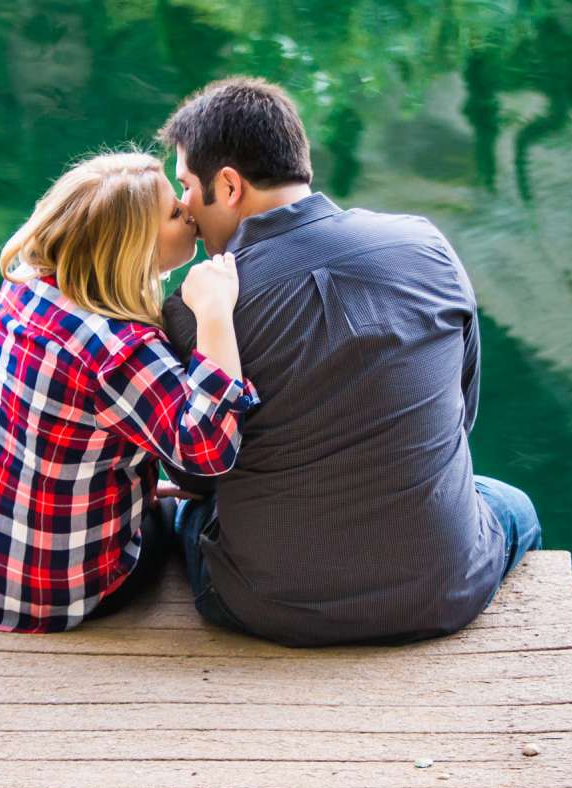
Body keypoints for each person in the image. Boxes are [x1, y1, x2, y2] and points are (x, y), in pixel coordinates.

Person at [158, 77, 540, 646]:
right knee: (514, 504)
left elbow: (195, 474)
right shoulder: (424, 245)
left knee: (182, 519)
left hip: (269, 604)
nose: (184, 204)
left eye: (187, 184)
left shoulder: (194, 312)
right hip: (444, 590)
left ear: (229, 185)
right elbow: (460, 415)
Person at [0, 151, 256, 631]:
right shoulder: (121, 350)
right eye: (175, 214)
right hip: (45, 590)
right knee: (174, 516)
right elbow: (209, 449)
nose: (190, 214)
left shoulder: (24, 287)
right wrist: (216, 311)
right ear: (132, 248)